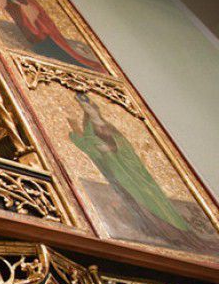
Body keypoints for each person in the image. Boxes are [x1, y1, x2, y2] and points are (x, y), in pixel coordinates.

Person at [67, 93, 211, 253]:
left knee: (151, 197)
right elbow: (89, 145)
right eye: (84, 108)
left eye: (89, 107)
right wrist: (76, 137)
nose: (88, 110)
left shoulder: (109, 127)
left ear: (95, 108)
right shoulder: (89, 129)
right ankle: (153, 229)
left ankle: (177, 232)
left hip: (134, 172)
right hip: (115, 170)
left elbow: (126, 147)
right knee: (132, 197)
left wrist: (112, 148)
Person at [0, 0, 104, 72]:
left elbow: (33, 8)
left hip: (40, 27)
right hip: (28, 24)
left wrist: (19, 4)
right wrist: (11, 1)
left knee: (58, 48)